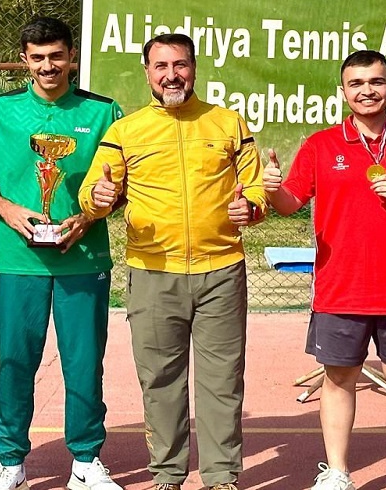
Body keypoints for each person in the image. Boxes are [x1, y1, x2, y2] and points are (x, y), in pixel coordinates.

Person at [263, 50, 386, 490]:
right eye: (356, 84)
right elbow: (290, 204)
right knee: (338, 379)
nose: (366, 91)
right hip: (340, 287)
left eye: (375, 82)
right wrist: (272, 190)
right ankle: (337, 473)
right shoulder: (320, 145)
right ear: (343, 92)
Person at [78, 33, 266, 490]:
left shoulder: (228, 123)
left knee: (223, 379)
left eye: (179, 65)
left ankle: (222, 476)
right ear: (146, 72)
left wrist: (253, 208)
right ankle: (167, 474)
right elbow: (92, 193)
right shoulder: (125, 131)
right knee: (160, 380)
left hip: (221, 269)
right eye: (160, 66)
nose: (171, 75)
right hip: (152, 272)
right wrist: (98, 198)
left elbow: (255, 188)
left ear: (195, 68)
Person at [0, 17, 124, 490]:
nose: (48, 65)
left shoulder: (105, 112)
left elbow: (122, 186)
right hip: (19, 261)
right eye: (37, 57)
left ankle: (84, 459)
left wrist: (91, 216)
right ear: (24, 60)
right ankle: (11, 461)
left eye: (56, 55)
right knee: (16, 358)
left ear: (71, 57)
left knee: (84, 359)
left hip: (85, 257)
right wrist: (6, 208)